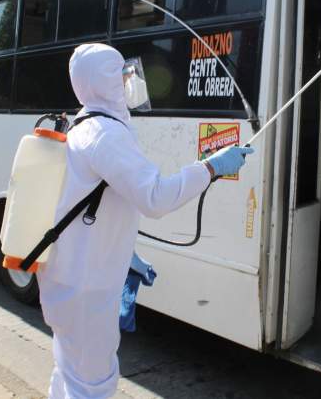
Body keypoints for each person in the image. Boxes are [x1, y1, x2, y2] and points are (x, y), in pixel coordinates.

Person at [37, 43, 253, 399]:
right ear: (105, 81)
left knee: (68, 375)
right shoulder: (106, 134)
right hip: (87, 292)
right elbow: (155, 197)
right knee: (92, 387)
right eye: (122, 75)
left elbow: (88, 206)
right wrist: (211, 167)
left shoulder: (83, 125)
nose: (130, 82)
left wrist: (126, 255)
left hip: (67, 282)